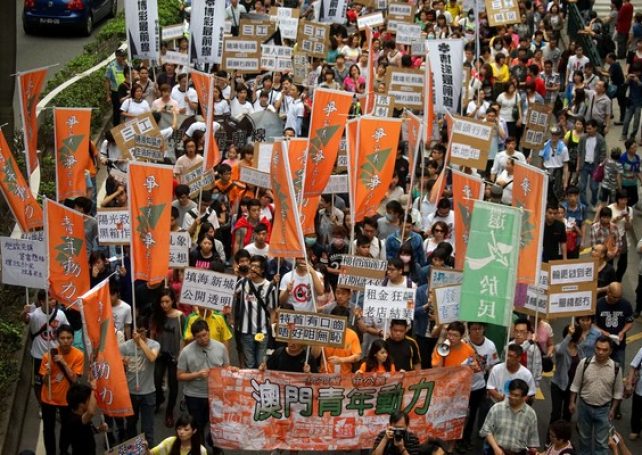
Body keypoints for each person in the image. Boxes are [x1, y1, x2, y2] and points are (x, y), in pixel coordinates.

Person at [177, 319, 230, 446]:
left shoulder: (221, 347)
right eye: (198, 337)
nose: (202, 339)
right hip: (194, 394)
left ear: (209, 332)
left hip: (215, 393)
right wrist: (197, 374)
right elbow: (179, 375)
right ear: (194, 337)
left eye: (204, 335)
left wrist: (231, 370)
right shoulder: (186, 352)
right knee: (197, 424)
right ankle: (200, 448)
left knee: (216, 423)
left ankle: (215, 445)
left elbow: (227, 368)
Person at [569, 336, 624, 455]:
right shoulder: (585, 363)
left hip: (604, 410)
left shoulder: (616, 368)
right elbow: (575, 385)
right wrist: (572, 402)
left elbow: (618, 392)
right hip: (584, 407)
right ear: (594, 348)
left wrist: (613, 410)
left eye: (605, 350)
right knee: (584, 439)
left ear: (610, 351)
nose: (600, 352)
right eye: (598, 348)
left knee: (602, 443)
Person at [40, 325, 84, 455]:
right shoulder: (48, 356)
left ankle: (63, 451)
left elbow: (75, 379)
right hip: (48, 398)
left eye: (68, 338)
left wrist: (64, 362)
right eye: (62, 338)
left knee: (66, 428)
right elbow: (44, 382)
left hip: (66, 399)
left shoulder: (78, 355)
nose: (65, 341)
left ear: (72, 338)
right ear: (57, 339)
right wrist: (47, 374)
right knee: (48, 429)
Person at [21, 291, 69, 404]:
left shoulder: (60, 314)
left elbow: (67, 330)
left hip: (55, 356)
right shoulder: (34, 314)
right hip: (38, 357)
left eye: (54, 299)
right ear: (42, 301)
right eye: (50, 299)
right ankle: (42, 407)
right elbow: (24, 319)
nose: (54, 301)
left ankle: (56, 402)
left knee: (58, 381)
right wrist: (24, 312)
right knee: (39, 384)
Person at [120, 316, 159, 445]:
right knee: (130, 427)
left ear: (147, 331)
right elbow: (117, 365)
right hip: (131, 392)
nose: (139, 333)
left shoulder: (154, 344)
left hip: (148, 392)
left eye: (142, 331)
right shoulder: (125, 347)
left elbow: (152, 357)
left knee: (147, 429)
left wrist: (140, 342)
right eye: (136, 330)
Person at [233, 255, 277, 369]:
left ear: (262, 270)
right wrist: (236, 275)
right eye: (251, 265)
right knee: (250, 364)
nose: (252, 269)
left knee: (260, 364)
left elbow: (273, 310)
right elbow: (230, 292)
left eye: (256, 267)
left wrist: (270, 328)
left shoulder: (269, 286)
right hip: (245, 331)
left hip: (262, 332)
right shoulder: (243, 282)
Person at [150, 288, 184, 428]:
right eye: (162, 302)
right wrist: (152, 351)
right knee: (156, 382)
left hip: (174, 356)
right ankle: (159, 399)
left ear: (173, 301)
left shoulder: (180, 316)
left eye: (167, 301)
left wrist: (180, 355)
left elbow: (183, 337)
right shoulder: (156, 316)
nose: (164, 305)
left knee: (173, 386)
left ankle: (169, 412)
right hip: (160, 353)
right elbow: (152, 335)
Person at [480, 378, 540, 455]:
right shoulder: (497, 408)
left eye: (516, 395)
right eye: (511, 394)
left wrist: (533, 450)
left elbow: (532, 441)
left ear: (524, 397)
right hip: (496, 451)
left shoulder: (530, 414)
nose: (512, 397)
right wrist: (495, 448)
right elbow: (486, 430)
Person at [550, 322, 584, 424]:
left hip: (572, 387)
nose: (583, 336)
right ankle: (550, 438)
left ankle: (564, 438)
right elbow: (559, 350)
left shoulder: (580, 350)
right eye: (581, 334)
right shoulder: (561, 348)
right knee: (556, 414)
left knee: (567, 413)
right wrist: (569, 335)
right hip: (558, 385)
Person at [595, 282, 634, 369]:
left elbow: (629, 322)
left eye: (619, 297)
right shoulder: (599, 304)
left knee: (619, 370)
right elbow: (593, 324)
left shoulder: (626, 304)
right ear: (608, 292)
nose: (617, 299)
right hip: (602, 345)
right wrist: (602, 331)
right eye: (614, 297)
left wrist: (623, 332)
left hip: (619, 345)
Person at [65, 381, 108, 455]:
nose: (92, 401)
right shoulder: (74, 420)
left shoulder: (82, 416)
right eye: (89, 399)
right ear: (81, 405)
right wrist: (94, 389)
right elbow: (91, 412)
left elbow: (87, 431)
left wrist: (99, 429)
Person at [577, 119, 607, 208]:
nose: (588, 131)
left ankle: (593, 201)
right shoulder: (583, 138)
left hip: (595, 166)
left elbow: (603, 153)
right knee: (582, 186)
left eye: (590, 129)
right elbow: (579, 151)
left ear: (595, 128)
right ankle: (584, 204)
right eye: (587, 129)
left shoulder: (600, 139)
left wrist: (601, 166)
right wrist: (578, 165)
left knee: (594, 187)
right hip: (584, 165)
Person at [322, 306, 362, 374]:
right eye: (335, 320)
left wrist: (341, 360)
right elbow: (315, 354)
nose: (337, 323)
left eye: (340, 321)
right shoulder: (324, 333)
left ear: (346, 321)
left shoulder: (352, 334)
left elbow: (357, 356)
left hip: (345, 375)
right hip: (326, 375)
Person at [507, 318, 543, 389]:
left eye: (522, 332)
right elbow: (517, 352)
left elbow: (537, 368)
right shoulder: (509, 346)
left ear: (528, 333)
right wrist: (529, 342)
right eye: (516, 331)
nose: (518, 334)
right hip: (510, 382)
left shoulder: (534, 348)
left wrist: (534, 386)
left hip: (527, 384)